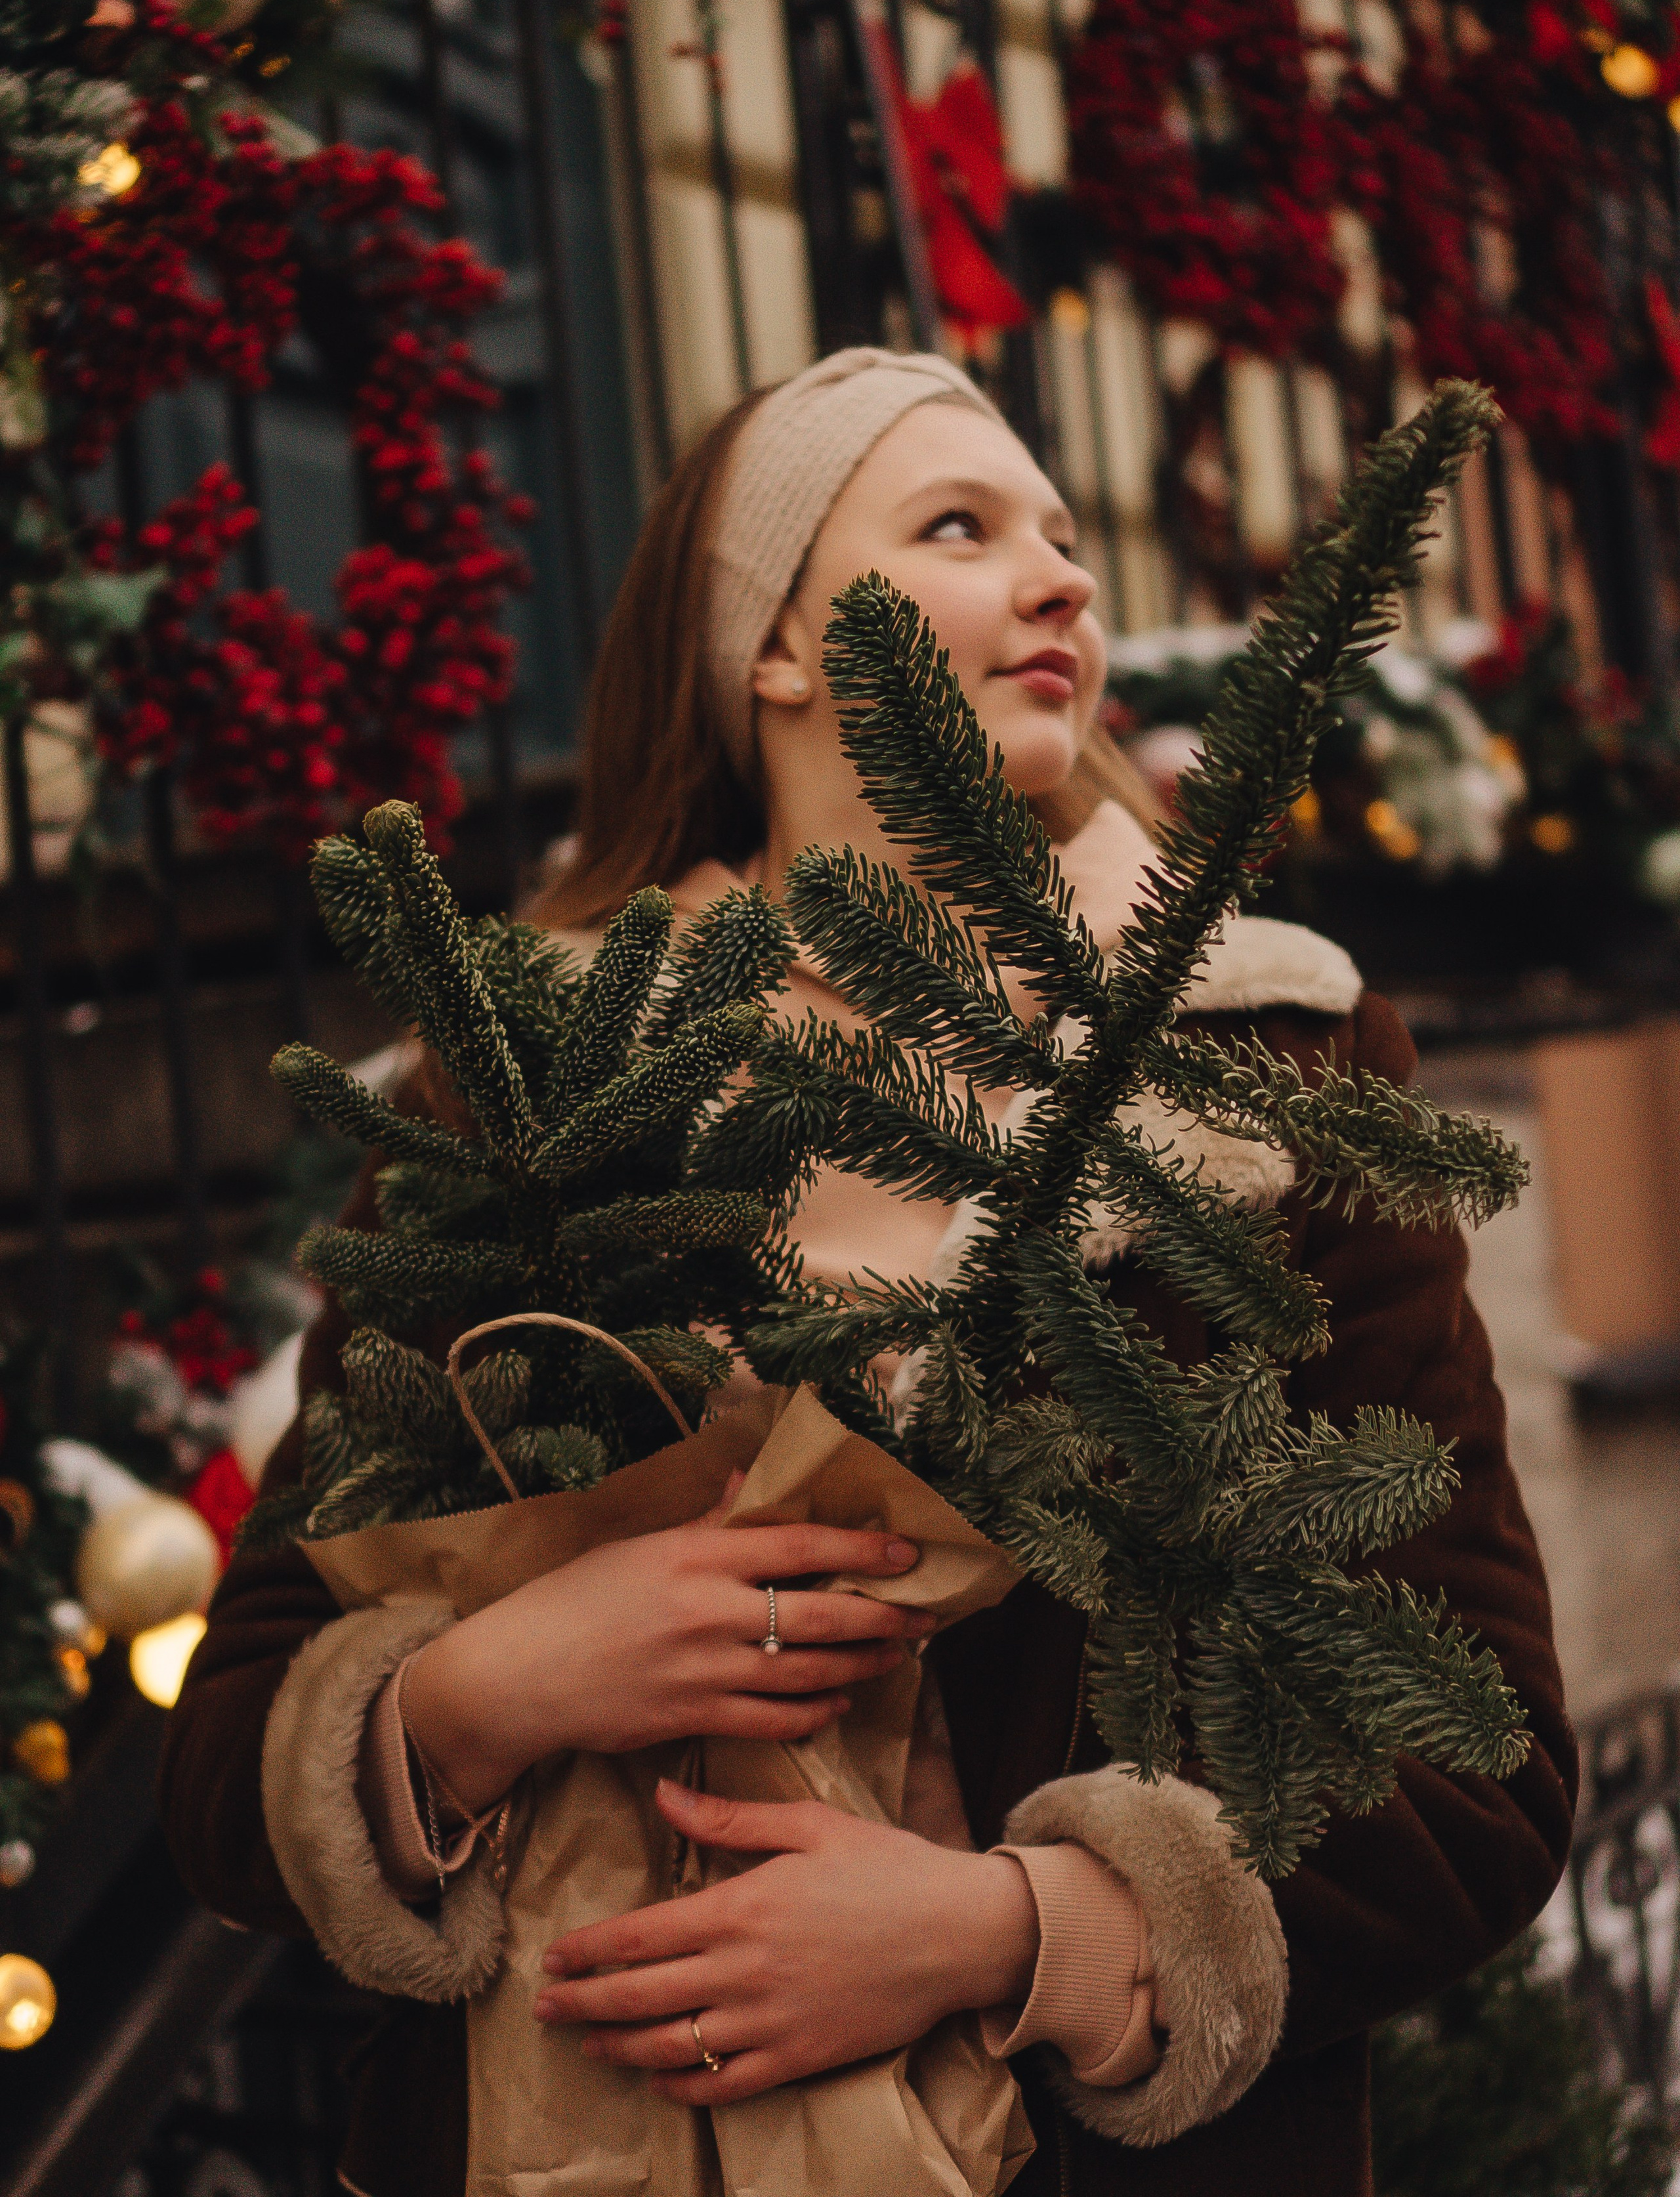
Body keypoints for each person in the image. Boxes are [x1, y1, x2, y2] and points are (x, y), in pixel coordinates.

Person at [158, 347, 1576, 2197]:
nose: (1064, 579)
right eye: (963, 527)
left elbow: (1483, 1756)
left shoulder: (1265, 1064)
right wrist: (495, 1685)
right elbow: (226, 1769)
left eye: (1067, 538)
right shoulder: (533, 1079)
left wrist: (1018, 1933)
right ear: (771, 648)